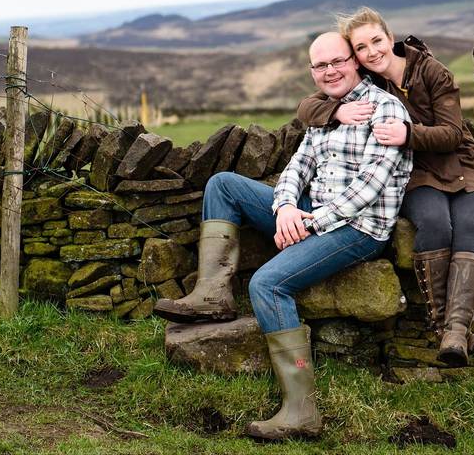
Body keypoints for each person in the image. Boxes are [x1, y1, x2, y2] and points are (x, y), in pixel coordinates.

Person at [154, 32, 412, 441]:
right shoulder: (328, 111)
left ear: (355, 61)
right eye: (320, 66)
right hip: (310, 210)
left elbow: (368, 190)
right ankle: (212, 296)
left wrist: (308, 223)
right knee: (223, 184)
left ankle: (301, 412)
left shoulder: (385, 110)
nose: (330, 71)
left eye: (337, 62)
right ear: (312, 72)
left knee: (268, 284)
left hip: (359, 228)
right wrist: (286, 207)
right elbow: (297, 165)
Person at [297, 7, 474, 367]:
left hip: (465, 166)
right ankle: (449, 334)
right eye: (361, 47)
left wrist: (408, 134)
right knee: (435, 224)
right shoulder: (369, 83)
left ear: (391, 39)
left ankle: (455, 331)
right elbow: (306, 106)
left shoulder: (433, 72)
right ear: (354, 57)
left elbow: (453, 134)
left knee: (469, 225)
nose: (372, 52)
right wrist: (335, 113)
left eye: (376, 41)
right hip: (419, 173)